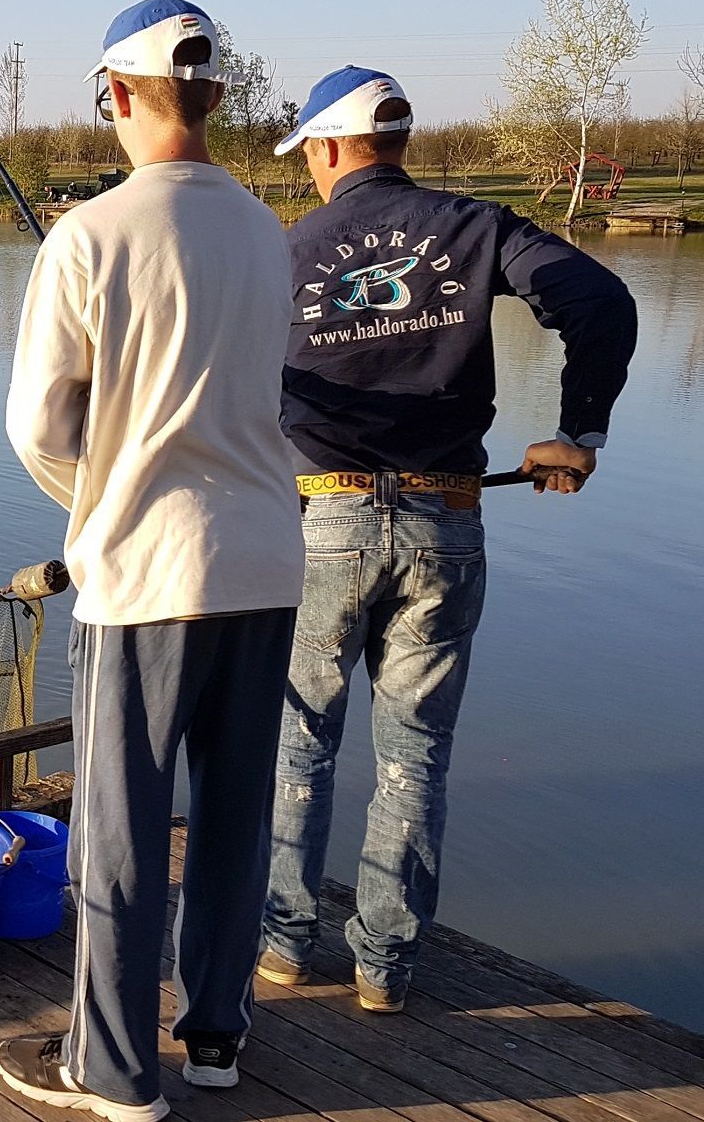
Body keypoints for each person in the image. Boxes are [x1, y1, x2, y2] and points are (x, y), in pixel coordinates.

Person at [260, 66, 637, 1012]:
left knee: (299, 742)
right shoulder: (477, 228)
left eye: (308, 149)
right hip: (444, 521)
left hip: (320, 525)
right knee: (414, 754)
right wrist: (577, 432)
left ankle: (282, 946)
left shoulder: (283, 251)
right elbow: (600, 303)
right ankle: (385, 973)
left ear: (330, 147)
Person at [0, 0, 306, 1121]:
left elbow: (37, 429)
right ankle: (215, 1040)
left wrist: (105, 501)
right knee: (232, 822)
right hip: (268, 566)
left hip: (144, 586)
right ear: (216, 97)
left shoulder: (86, 236)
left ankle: (115, 1072)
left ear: (118, 95)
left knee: (123, 839)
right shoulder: (269, 234)